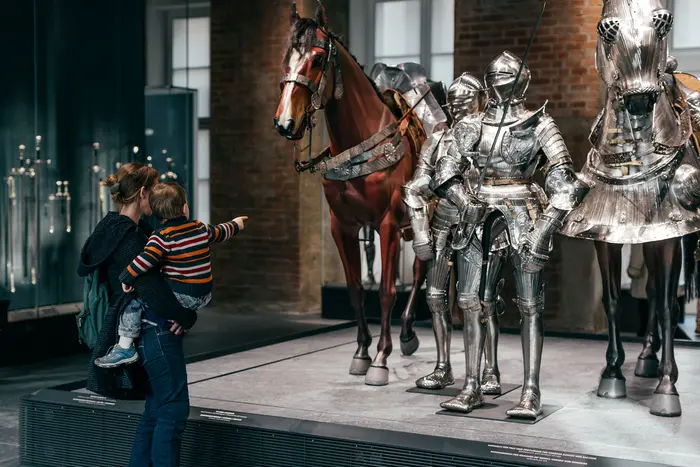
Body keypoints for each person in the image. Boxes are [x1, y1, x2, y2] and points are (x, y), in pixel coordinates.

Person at [77, 163, 197, 466]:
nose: (156, 197)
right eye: (153, 191)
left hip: (135, 331)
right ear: (142, 193)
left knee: (156, 410)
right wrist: (185, 317)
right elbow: (151, 288)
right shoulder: (130, 238)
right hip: (153, 330)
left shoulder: (113, 229)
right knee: (172, 408)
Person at [94, 182, 247, 368]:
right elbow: (222, 231)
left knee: (133, 302)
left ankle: (125, 346)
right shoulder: (200, 228)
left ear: (157, 215)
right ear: (184, 208)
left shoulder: (161, 237)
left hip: (182, 294)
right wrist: (237, 224)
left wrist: (126, 278)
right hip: (203, 295)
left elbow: (144, 260)